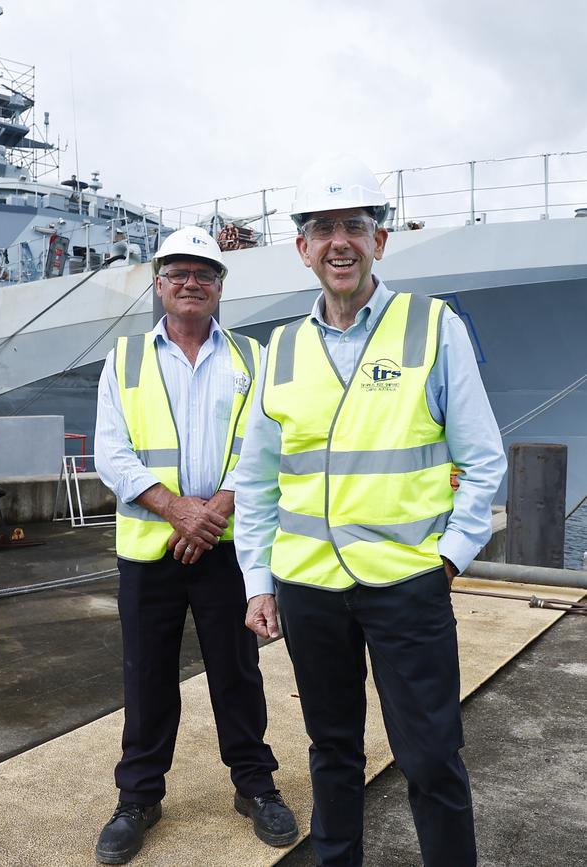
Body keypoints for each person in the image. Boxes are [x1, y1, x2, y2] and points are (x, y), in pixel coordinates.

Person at [234, 154, 507, 867]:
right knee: (331, 752)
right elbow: (257, 481)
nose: (339, 242)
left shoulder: (432, 327)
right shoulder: (279, 351)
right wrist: (259, 582)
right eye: (321, 229)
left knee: (431, 758)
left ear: (379, 240)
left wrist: (451, 553)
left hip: (407, 583)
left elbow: (483, 457)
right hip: (310, 589)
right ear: (302, 249)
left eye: (354, 225)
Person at [94, 225, 298, 865]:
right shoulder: (125, 359)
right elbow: (111, 454)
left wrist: (213, 511)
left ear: (219, 287)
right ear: (158, 284)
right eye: (177, 273)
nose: (190, 283)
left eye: (203, 274)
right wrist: (177, 510)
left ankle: (254, 785)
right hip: (149, 553)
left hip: (227, 550)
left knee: (237, 672)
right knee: (147, 676)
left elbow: (266, 445)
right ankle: (138, 799)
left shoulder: (252, 359)